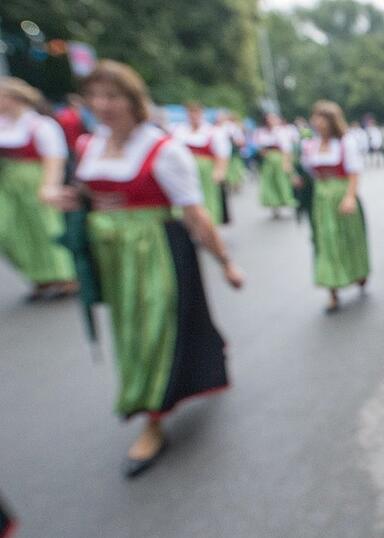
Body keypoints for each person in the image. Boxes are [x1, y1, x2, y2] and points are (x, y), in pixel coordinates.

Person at [52, 60, 243, 478]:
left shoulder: (164, 149)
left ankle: (150, 419)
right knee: (135, 327)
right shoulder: (89, 145)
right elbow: (85, 192)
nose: (102, 105)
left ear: (133, 100)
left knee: (151, 331)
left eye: (113, 96)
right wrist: (76, 201)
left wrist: (226, 262)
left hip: (156, 251)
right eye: (95, 96)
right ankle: (203, 353)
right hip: (112, 257)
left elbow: (195, 214)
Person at [0, 77, 78, 301]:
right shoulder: (4, 124)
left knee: (46, 231)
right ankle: (38, 275)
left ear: (14, 98)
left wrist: (49, 185)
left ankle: (63, 277)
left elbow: (55, 158)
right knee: (10, 232)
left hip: (35, 182)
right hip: (7, 187)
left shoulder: (40, 124)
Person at [299, 100, 370, 313]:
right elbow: (308, 171)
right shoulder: (310, 144)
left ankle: (358, 271)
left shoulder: (345, 142)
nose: (318, 123)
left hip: (341, 194)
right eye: (316, 118)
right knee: (326, 240)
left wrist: (349, 197)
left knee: (349, 237)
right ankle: (332, 288)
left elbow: (354, 172)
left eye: (322, 118)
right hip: (321, 198)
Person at [173, 102, 231, 225]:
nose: (193, 116)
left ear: (201, 114)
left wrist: (219, 171)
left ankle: (209, 225)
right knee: (186, 199)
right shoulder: (179, 131)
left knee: (207, 198)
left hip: (206, 170)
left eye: (196, 112)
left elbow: (222, 154)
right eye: (191, 113)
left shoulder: (212, 131)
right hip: (185, 170)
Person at [253, 112, 297, 216]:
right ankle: (273, 204)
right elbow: (258, 146)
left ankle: (287, 200)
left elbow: (287, 149)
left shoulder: (281, 131)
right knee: (269, 182)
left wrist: (287, 163)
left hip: (279, 159)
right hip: (268, 160)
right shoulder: (261, 132)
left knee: (282, 181)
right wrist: (263, 152)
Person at [218, 111, 247, 192]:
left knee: (233, 169)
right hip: (228, 152)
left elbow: (240, 141)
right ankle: (232, 184)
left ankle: (233, 184)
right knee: (232, 169)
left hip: (233, 152)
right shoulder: (230, 127)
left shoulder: (232, 127)